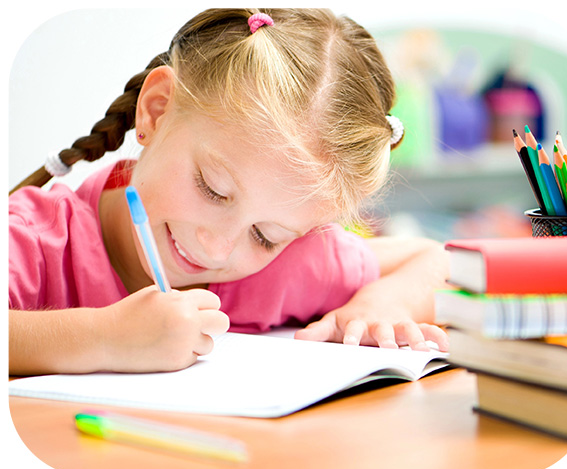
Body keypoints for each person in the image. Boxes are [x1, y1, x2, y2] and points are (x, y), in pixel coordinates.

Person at [9, 8, 449, 376]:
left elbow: (432, 259)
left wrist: (378, 305)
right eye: (212, 189)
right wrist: (103, 339)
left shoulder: (286, 267)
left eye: (266, 236)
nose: (216, 250)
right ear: (157, 111)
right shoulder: (34, 239)